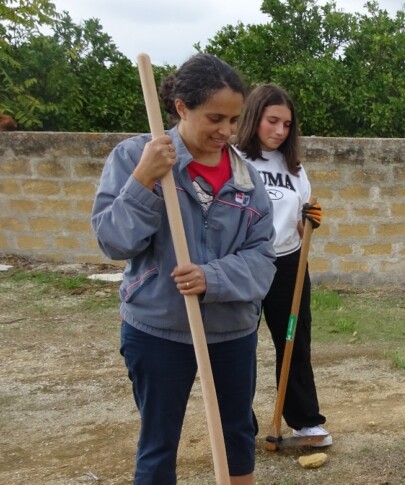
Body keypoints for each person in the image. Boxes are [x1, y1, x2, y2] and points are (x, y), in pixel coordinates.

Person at [91, 53, 276, 485]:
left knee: (236, 434)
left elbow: (262, 260)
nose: (227, 132)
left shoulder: (246, 179)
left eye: (233, 119)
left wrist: (211, 278)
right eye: (215, 118)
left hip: (231, 330)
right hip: (157, 328)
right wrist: (144, 180)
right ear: (180, 108)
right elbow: (113, 241)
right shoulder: (135, 157)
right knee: (158, 443)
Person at [234, 84, 330, 446]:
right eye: (272, 121)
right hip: (243, 263)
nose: (279, 131)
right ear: (254, 117)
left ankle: (304, 421)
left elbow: (301, 221)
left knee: (293, 340)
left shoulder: (294, 167)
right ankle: (239, 426)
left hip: (288, 263)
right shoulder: (233, 158)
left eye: (287, 124)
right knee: (238, 345)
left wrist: (311, 222)